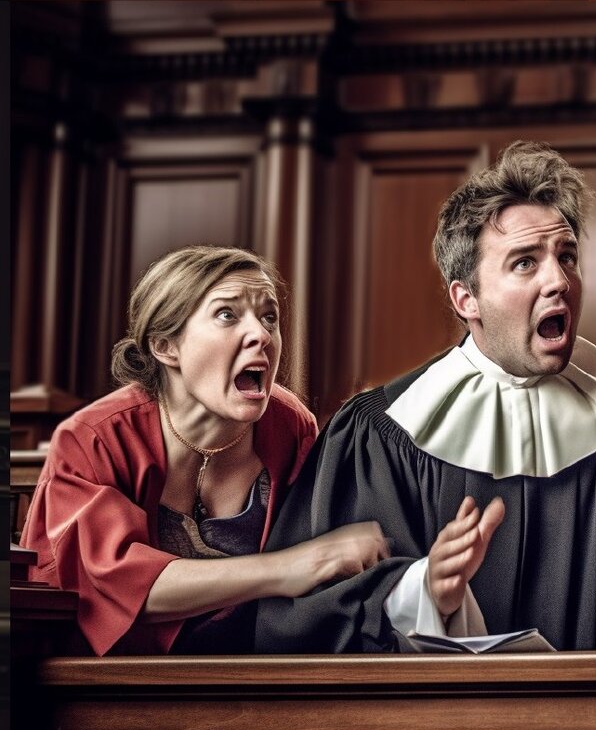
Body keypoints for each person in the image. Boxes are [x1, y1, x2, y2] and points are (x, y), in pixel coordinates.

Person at [254, 141, 596, 652]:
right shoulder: (376, 438)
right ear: (467, 299)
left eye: (567, 256)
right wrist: (421, 591)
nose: (559, 280)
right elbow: (307, 622)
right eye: (525, 263)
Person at [21, 246, 389, 655]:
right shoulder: (93, 439)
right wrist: (290, 567)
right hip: (114, 679)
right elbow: (110, 585)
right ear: (166, 345)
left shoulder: (289, 425)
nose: (262, 335)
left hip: (257, 670)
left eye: (269, 317)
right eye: (227, 315)